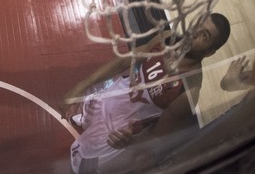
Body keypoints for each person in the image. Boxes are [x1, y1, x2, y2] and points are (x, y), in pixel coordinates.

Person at [59, 13, 231, 174]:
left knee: (79, 166)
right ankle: (84, 119)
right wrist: (82, 85)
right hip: (107, 98)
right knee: (86, 112)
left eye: (204, 36)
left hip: (116, 131)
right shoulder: (167, 37)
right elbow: (124, 62)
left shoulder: (187, 92)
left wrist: (129, 142)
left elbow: (158, 136)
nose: (194, 33)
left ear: (210, 53)